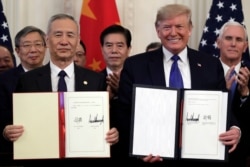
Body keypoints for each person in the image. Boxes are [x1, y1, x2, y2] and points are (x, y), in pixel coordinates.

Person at [117, 4, 241, 167]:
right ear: (158, 30)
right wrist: (139, 148)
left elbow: (221, 107)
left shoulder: (211, 65)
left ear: (190, 29)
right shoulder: (135, 66)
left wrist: (234, 128)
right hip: (152, 159)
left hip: (200, 160)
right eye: (167, 27)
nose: (173, 33)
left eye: (179, 26)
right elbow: (124, 113)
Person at [2, 14, 119, 166]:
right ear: (47, 40)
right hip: (40, 161)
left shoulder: (96, 80)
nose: (64, 41)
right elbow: (13, 120)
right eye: (58, 35)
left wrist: (114, 133)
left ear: (77, 40)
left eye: (70, 35)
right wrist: (7, 131)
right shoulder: (27, 80)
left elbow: (108, 122)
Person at [0, 25, 46, 164]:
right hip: (15, 152)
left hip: (50, 149)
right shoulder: (3, 80)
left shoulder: (57, 76)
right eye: (27, 45)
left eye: (38, 44)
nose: (33, 50)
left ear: (45, 47)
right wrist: (4, 131)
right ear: (17, 51)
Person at [217, 21, 250, 167]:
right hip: (207, 154)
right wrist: (220, 91)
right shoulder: (203, 73)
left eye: (239, 40)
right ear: (218, 42)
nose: (233, 44)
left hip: (241, 157)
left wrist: (245, 94)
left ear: (245, 46)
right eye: (228, 38)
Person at [99, 24, 131, 164]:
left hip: (131, 153)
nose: (114, 51)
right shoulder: (93, 80)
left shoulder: (138, 79)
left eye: (120, 45)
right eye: (109, 45)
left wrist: (122, 91)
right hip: (102, 153)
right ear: (102, 49)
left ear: (128, 49)